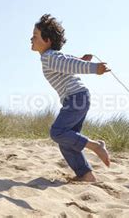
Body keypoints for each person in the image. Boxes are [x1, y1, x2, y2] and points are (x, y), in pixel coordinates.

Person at [31, 13, 111, 182]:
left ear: (47, 40)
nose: (31, 39)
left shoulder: (48, 57)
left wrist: (94, 68)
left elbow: (70, 64)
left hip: (76, 98)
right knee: (67, 140)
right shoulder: (52, 57)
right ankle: (86, 175)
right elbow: (67, 60)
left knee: (57, 132)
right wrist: (81, 59)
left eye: (35, 36)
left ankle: (96, 146)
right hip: (78, 98)